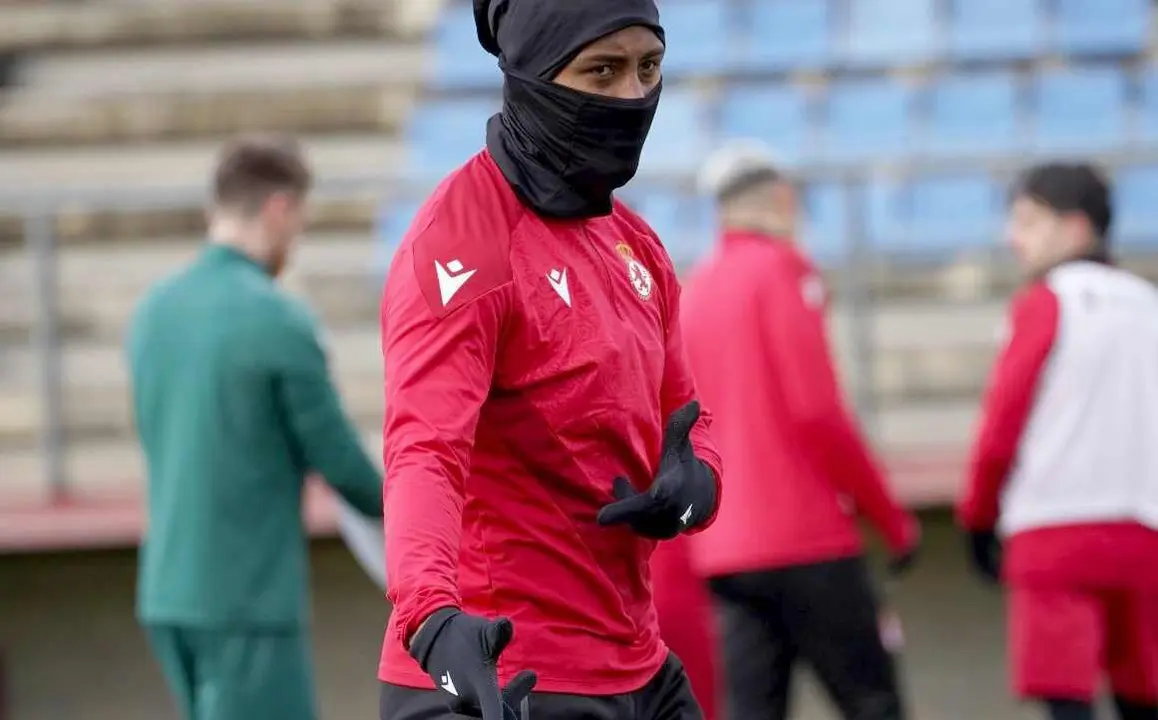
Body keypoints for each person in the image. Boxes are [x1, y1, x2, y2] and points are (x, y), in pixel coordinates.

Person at [377, 1, 724, 718]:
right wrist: (430, 618)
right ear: (534, 75)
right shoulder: (466, 238)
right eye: (602, 71)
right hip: (507, 680)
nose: (632, 96)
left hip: (637, 665)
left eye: (648, 68)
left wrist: (697, 483)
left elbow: (690, 419)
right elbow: (424, 450)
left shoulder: (636, 244)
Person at [126, 134, 383, 720]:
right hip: (247, 597)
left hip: (168, 589)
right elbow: (342, 463)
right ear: (279, 209)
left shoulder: (153, 311)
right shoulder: (278, 319)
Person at [678, 142, 920, 720]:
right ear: (784, 199)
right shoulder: (784, 270)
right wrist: (890, 519)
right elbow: (817, 411)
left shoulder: (694, 289)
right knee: (873, 702)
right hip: (806, 536)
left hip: (725, 551)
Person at [957, 163, 1158, 720]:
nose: (1011, 237)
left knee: (1069, 705)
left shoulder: (1045, 302)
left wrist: (977, 516)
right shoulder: (1149, 304)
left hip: (1054, 535)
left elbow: (1001, 426)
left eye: (1026, 221)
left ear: (1073, 228)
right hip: (1146, 534)